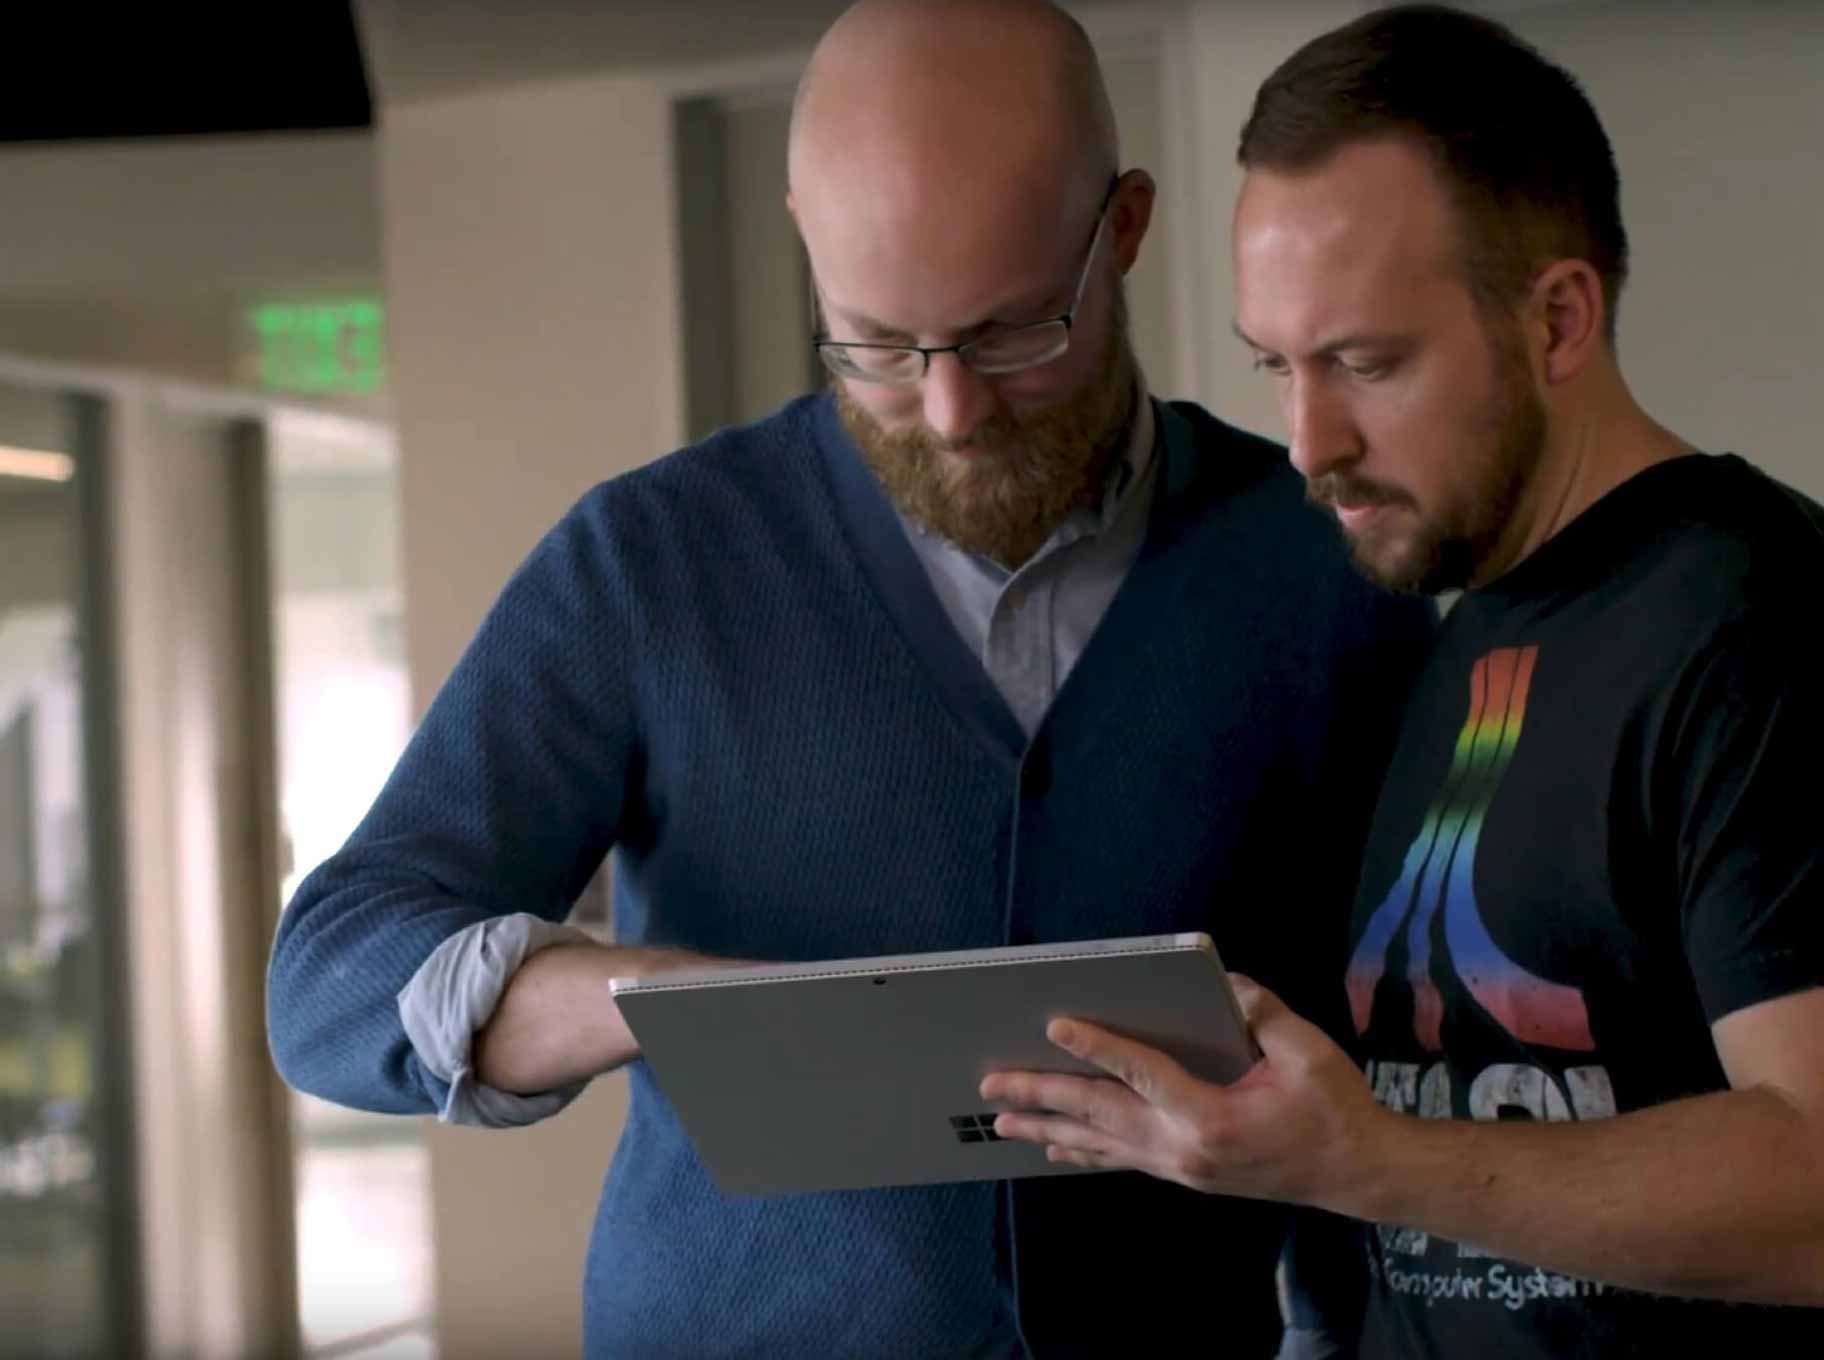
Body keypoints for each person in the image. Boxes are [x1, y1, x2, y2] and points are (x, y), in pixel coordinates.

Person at [269, 1, 1434, 1354]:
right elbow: (331, 981)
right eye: (876, 345)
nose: (951, 408)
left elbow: (1403, 1059)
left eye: (1013, 335)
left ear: (1121, 230)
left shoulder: (1324, 566)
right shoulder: (651, 562)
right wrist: (646, 1004)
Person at [980, 7, 1824, 1357]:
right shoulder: (1461, 629)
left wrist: (1363, 1161)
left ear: (1557, 319)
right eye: (1277, 366)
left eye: (1367, 364)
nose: (1308, 444)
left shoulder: (1754, 615)